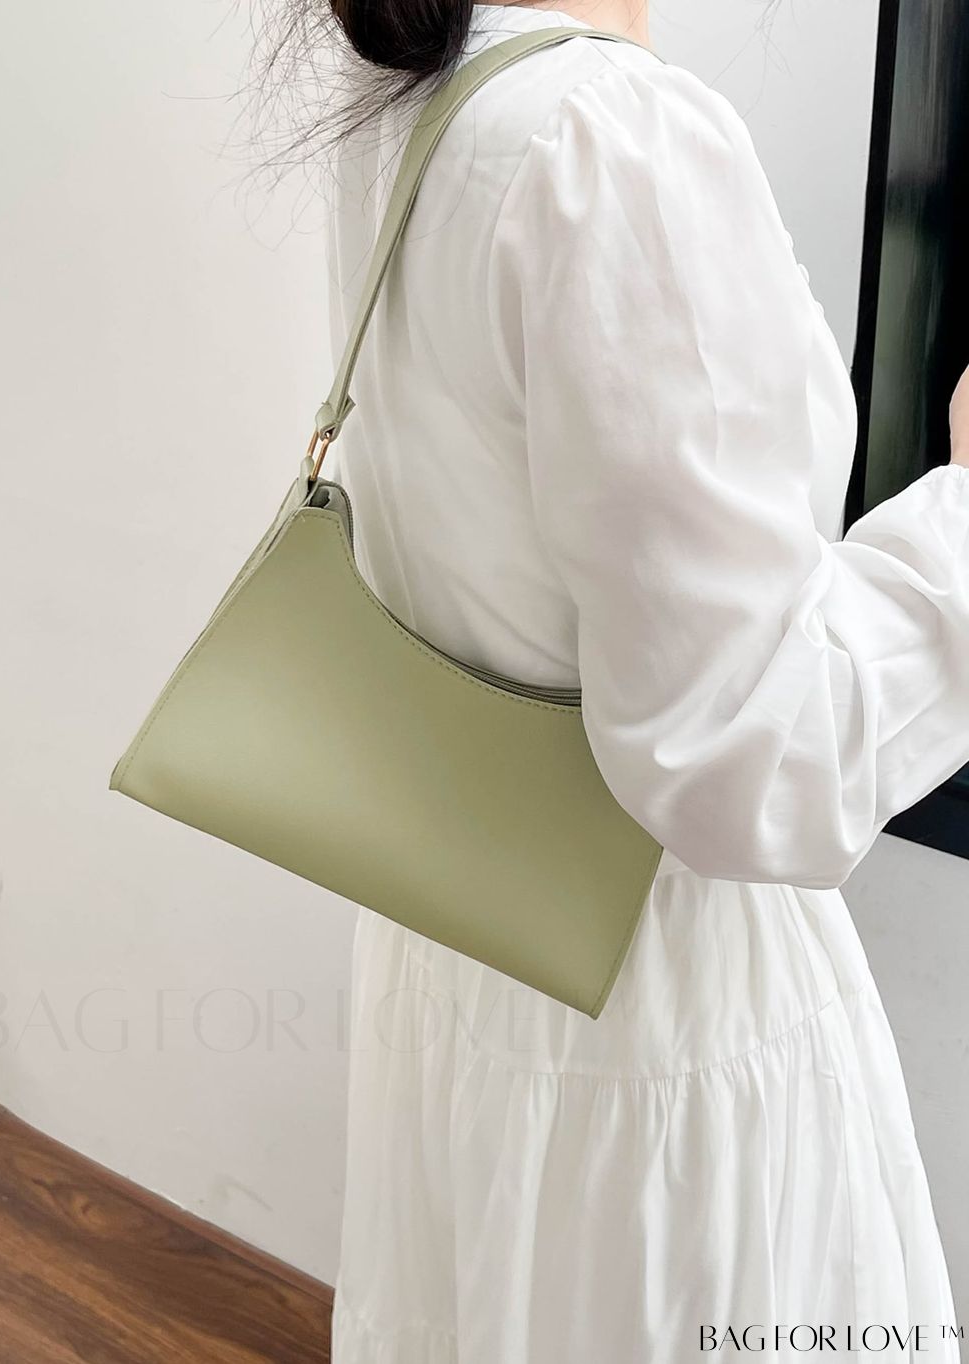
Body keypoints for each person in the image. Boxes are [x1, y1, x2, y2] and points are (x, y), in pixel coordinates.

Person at [306, 0, 969, 1357]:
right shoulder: (610, 141)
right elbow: (753, 758)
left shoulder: (419, 99)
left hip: (470, 941)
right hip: (653, 1006)